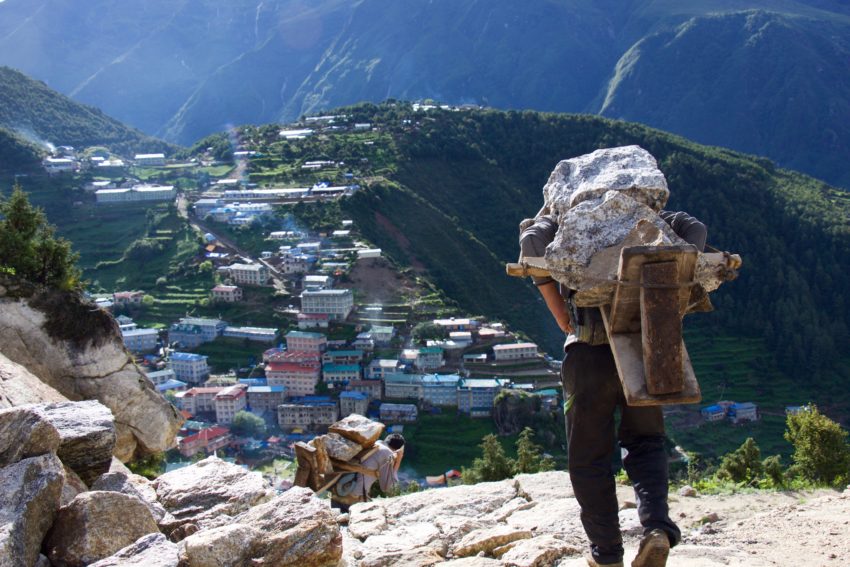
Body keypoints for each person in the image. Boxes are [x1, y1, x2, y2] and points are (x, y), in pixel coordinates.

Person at [519, 210, 706, 567]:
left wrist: (559, 312)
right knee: (646, 442)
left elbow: (530, 242)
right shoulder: (647, 212)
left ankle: (607, 554)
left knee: (589, 458)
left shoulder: (565, 215)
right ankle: (656, 528)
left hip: (588, 353)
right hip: (646, 349)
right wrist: (680, 285)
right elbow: (694, 227)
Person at [331, 433, 405, 511]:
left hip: (337, 491)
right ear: (398, 449)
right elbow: (387, 487)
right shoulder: (388, 453)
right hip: (353, 499)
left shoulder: (374, 444)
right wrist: (398, 460)